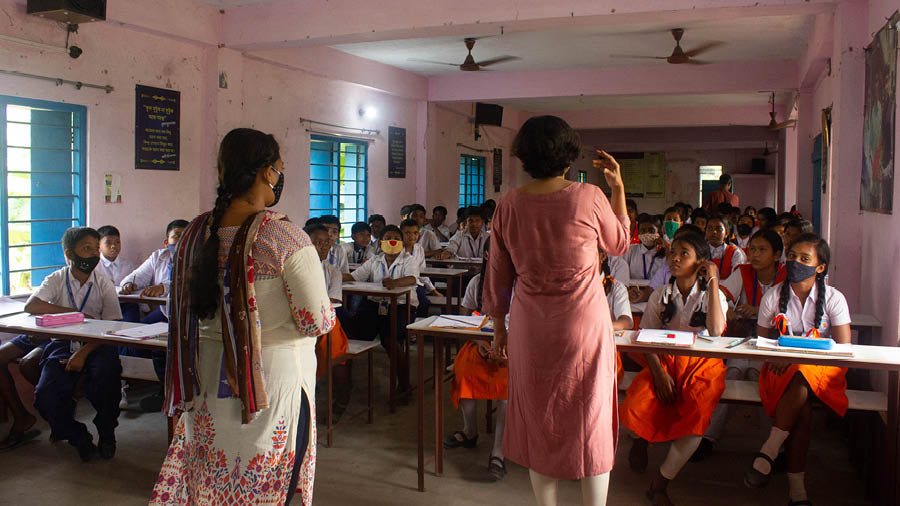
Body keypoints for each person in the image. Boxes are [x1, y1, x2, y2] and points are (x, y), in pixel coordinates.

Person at [151, 128, 334, 506]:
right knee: (267, 480)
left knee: (212, 483)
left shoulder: (194, 233)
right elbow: (316, 320)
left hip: (204, 377)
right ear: (267, 173)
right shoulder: (282, 237)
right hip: (268, 383)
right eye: (279, 169)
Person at [484, 115, 630, 506]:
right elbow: (618, 244)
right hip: (583, 326)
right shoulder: (588, 196)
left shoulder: (510, 203)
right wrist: (616, 188)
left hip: (530, 327)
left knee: (540, 420)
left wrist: (499, 328)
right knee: (591, 420)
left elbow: (498, 273)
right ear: (568, 155)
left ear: (524, 158)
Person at [620, 232, 727, 506]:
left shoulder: (712, 294)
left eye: (684, 254)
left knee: (696, 419)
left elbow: (716, 330)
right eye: (673, 253)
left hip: (703, 364)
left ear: (701, 262)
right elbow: (644, 336)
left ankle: (661, 483)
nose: (675, 259)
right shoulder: (661, 293)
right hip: (664, 360)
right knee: (637, 403)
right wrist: (658, 372)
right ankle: (641, 439)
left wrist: (713, 280)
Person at [744, 234, 850, 506]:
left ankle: (770, 449)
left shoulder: (834, 299)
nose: (795, 263)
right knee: (801, 410)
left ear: (820, 267)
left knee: (801, 372)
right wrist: (786, 359)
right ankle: (797, 492)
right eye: (792, 257)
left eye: (804, 259)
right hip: (779, 372)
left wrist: (795, 359)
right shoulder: (773, 296)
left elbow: (843, 348)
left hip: (824, 373)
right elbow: (763, 344)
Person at [29, 226, 123, 461]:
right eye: (86, 249)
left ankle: (106, 431)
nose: (93, 255)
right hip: (63, 342)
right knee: (45, 395)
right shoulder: (57, 278)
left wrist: (83, 352)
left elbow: (113, 326)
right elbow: (32, 306)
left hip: (99, 342)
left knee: (105, 377)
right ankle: (77, 436)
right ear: (70, 254)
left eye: (95, 249)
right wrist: (71, 312)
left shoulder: (103, 283)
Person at [693, 229, 786, 462]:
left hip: (774, 342)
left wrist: (759, 311)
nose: (754, 255)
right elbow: (721, 295)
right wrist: (728, 311)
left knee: (758, 377)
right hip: (744, 338)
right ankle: (709, 437)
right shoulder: (742, 272)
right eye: (752, 249)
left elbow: (790, 313)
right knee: (733, 372)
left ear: (777, 255)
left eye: (762, 250)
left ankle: (774, 446)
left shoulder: (786, 277)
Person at [444, 239, 511, 481]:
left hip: (512, 348)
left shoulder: (524, 283)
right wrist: (481, 343)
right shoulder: (477, 282)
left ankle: (499, 451)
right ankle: (470, 431)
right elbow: (465, 319)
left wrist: (505, 346)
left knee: (507, 387)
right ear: (485, 254)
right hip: (479, 344)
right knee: (465, 373)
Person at [343, 225, 419, 397]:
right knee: (350, 335)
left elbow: (412, 278)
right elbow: (355, 276)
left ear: (400, 242)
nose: (392, 241)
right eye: (387, 238)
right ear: (381, 242)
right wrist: (335, 276)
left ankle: (404, 386)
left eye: (396, 238)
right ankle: (344, 384)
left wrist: (395, 282)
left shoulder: (408, 259)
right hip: (375, 305)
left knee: (391, 340)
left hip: (401, 305)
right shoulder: (375, 260)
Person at [307, 223, 352, 418]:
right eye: (318, 243)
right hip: (302, 320)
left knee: (331, 351)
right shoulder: (295, 268)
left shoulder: (333, 271)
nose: (324, 247)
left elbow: (333, 301)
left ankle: (341, 399)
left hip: (325, 319)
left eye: (326, 243)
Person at [120, 218, 188, 322]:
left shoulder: (197, 259)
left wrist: (163, 287)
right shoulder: (158, 256)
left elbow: (186, 284)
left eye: (186, 237)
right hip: (162, 310)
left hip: (184, 313)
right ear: (166, 242)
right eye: (177, 236)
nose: (181, 241)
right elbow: (138, 275)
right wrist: (130, 284)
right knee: (138, 328)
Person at [95, 225, 139, 323]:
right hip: (103, 306)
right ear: (99, 246)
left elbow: (136, 284)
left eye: (117, 242)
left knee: (131, 327)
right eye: (108, 243)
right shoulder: (95, 266)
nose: (114, 246)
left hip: (125, 305)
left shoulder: (127, 264)